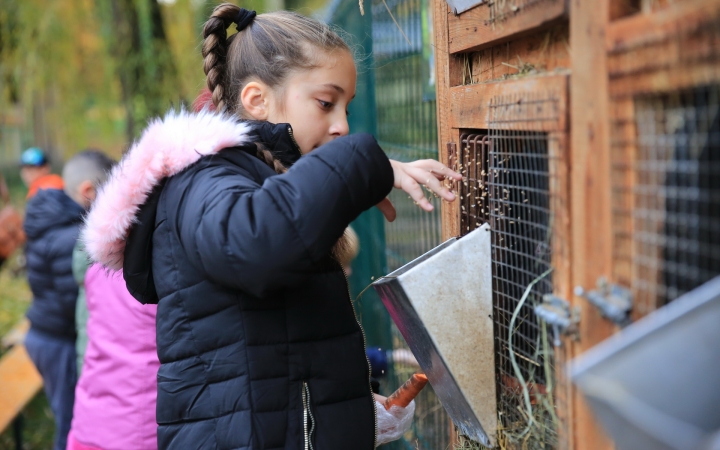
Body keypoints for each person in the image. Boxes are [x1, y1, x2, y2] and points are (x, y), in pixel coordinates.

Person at [83, 4, 460, 449]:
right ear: (257, 100)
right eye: (325, 103)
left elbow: (279, 361)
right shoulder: (206, 177)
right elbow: (255, 247)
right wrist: (362, 164)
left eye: (347, 107)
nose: (342, 126)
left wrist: (350, 417)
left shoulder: (262, 182)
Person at [23, 149, 111, 450]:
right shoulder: (71, 236)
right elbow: (78, 302)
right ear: (88, 190)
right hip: (57, 341)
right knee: (72, 422)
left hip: (42, 333)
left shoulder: (53, 221)